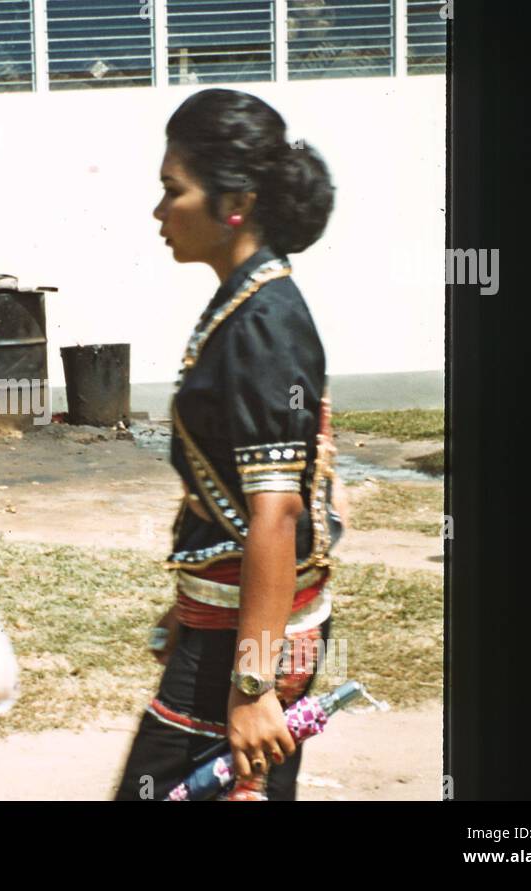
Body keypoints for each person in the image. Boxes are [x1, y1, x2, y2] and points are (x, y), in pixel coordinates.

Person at [114, 88, 346, 802]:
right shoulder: (246, 302)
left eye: (171, 190)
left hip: (241, 649)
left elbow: (274, 513)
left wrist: (252, 684)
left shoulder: (261, 322)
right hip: (227, 625)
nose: (158, 211)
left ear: (233, 202)